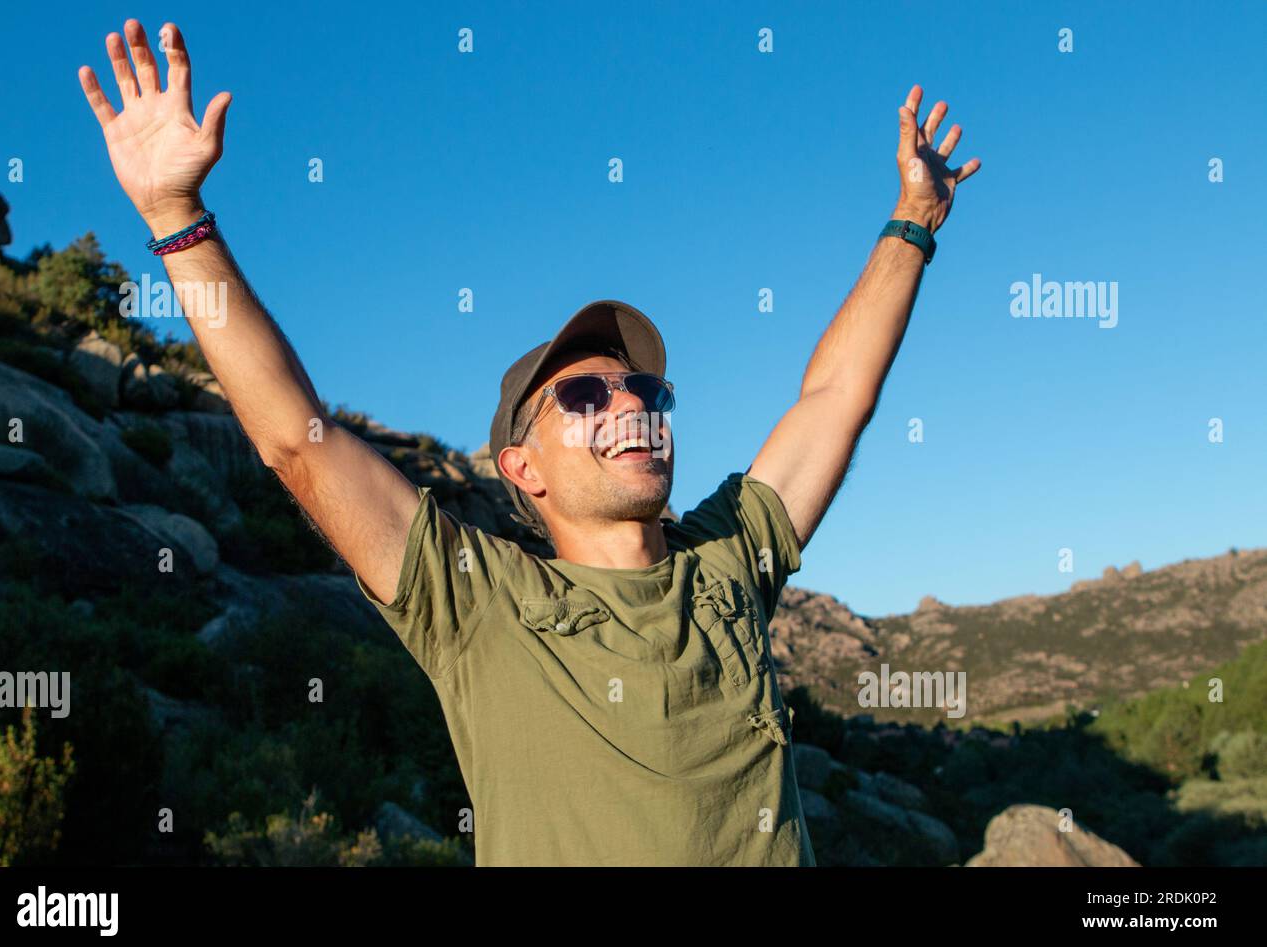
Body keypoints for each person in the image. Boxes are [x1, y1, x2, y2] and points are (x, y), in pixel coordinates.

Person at [78, 19, 981, 866]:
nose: (629, 404)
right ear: (522, 467)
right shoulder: (476, 603)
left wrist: (913, 222)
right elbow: (296, 443)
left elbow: (834, 398)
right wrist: (175, 217)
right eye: (584, 395)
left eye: (645, 389)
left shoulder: (730, 560)